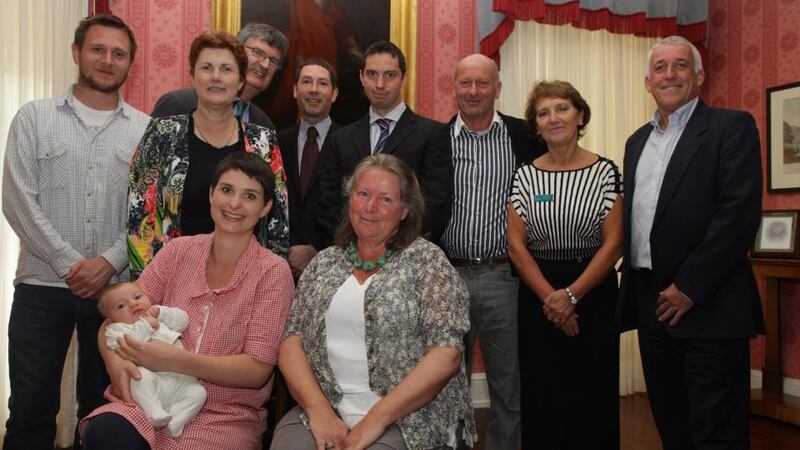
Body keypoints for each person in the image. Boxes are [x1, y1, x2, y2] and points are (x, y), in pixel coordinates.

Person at [1, 14, 150, 450]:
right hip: (41, 287)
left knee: (104, 411)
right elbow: (17, 201)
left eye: (119, 54)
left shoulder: (145, 131)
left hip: (116, 293)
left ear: (130, 65)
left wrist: (107, 262)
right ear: (76, 53)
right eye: (98, 49)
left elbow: (148, 216)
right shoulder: (33, 118)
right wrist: (71, 264)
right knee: (29, 410)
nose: (107, 60)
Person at [81, 152, 294, 449]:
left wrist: (176, 360)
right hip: (150, 397)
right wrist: (115, 362)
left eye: (249, 196)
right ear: (211, 194)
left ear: (266, 207)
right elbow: (114, 321)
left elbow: (257, 371)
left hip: (225, 416)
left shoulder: (272, 272)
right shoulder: (177, 252)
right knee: (106, 433)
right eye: (227, 190)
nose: (234, 204)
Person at [619, 35, 765, 449]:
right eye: (661, 68)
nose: (670, 74)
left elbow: (737, 216)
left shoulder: (730, 127)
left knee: (716, 430)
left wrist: (689, 287)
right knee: (672, 422)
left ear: (699, 76)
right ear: (648, 81)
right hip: (652, 304)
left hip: (708, 301)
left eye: (680, 66)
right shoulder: (636, 142)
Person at [272, 154, 475, 450]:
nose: (370, 207)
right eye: (363, 194)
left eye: (386, 199)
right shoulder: (324, 263)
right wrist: (319, 412)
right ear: (350, 199)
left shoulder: (428, 262)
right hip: (324, 409)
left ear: (405, 209)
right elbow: (292, 343)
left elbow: (446, 354)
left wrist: (376, 419)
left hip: (408, 419)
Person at [508, 80, 623, 449]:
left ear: (580, 115)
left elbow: (615, 243)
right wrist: (553, 300)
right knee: (543, 391)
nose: (553, 118)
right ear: (536, 125)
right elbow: (516, 246)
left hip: (594, 289)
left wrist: (572, 296)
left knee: (593, 390)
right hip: (538, 292)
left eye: (561, 108)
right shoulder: (524, 175)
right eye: (543, 113)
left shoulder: (606, 172)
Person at [439, 53, 544, 450]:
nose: (473, 91)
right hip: (447, 278)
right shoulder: (436, 139)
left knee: (508, 384)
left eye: (482, 83)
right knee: (445, 380)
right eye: (465, 83)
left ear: (497, 89)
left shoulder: (526, 137)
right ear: (455, 88)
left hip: (505, 277)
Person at [127, 31, 289, 279]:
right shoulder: (162, 134)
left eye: (226, 69)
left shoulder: (263, 141)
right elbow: (140, 219)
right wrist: (149, 289)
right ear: (192, 76)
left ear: (240, 81)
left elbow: (277, 222)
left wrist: (269, 281)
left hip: (244, 284)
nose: (216, 77)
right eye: (207, 68)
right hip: (171, 281)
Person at [316, 41, 452, 247]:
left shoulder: (433, 134)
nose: (379, 84)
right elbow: (328, 205)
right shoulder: (340, 139)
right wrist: (355, 249)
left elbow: (434, 206)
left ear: (403, 79)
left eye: (389, 75)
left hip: (408, 259)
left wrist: (389, 250)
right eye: (372, 74)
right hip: (349, 256)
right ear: (361, 77)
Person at [98, 282, 207, 438]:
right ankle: (154, 413)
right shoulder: (116, 330)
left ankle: (176, 421)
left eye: (137, 297)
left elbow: (183, 321)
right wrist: (145, 326)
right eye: (121, 306)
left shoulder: (158, 318)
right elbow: (127, 345)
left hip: (180, 380)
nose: (133, 304)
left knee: (199, 393)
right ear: (109, 321)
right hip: (152, 380)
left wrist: (162, 312)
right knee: (139, 377)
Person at [151, 22, 288, 130]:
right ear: (237, 51)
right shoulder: (177, 104)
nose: (265, 65)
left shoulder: (265, 126)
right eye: (257, 52)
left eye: (273, 60)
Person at [277, 58, 340, 278]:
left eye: (322, 83)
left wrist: (316, 249)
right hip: (279, 264)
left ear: (334, 94)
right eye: (306, 81)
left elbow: (349, 207)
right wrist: (287, 250)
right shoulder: (276, 142)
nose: (314, 90)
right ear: (295, 90)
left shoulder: (349, 143)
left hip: (332, 266)